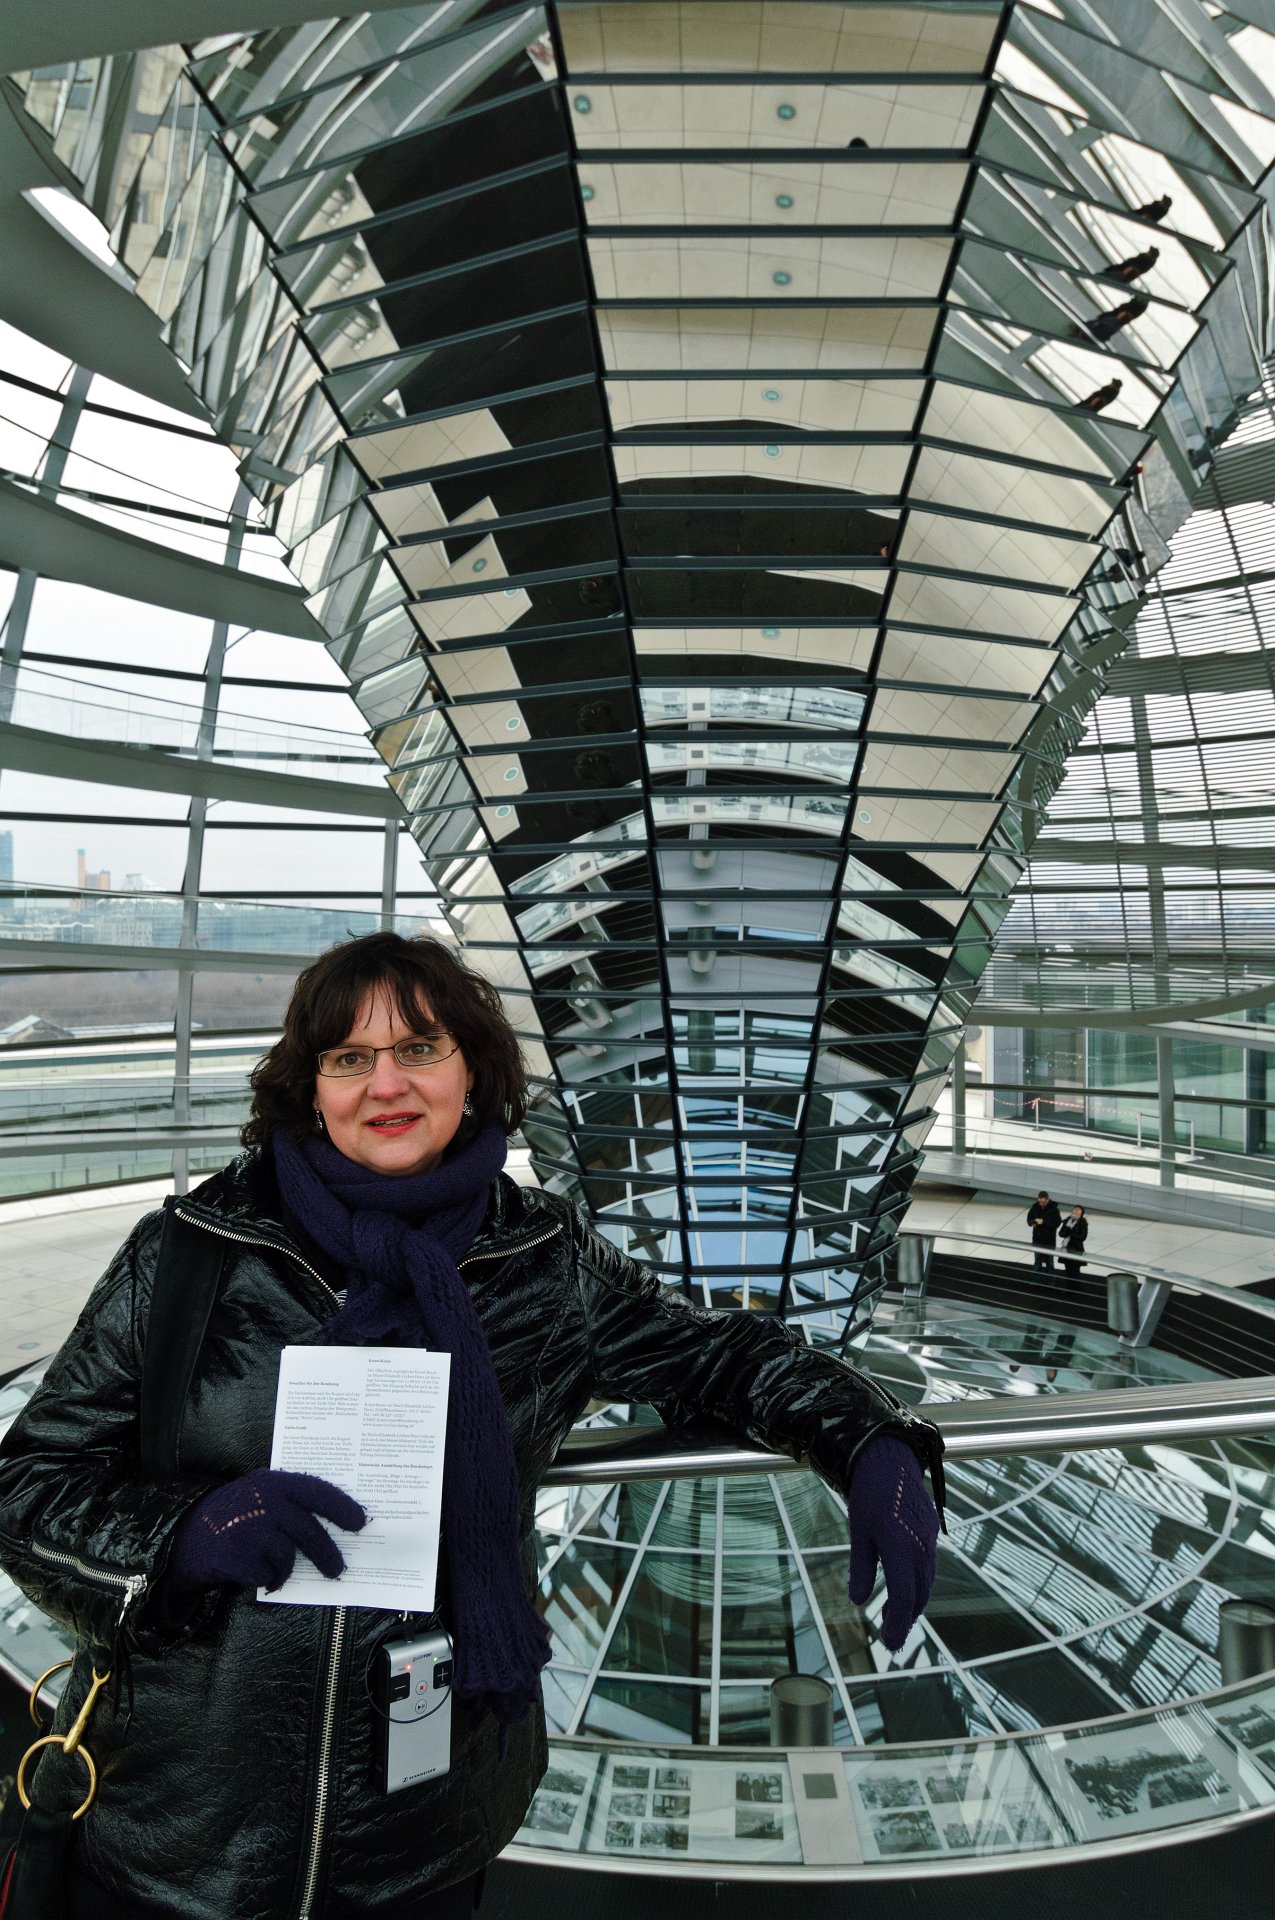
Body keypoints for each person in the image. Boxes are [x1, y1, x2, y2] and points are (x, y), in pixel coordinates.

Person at [0, 932, 943, 1920]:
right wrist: (183, 1539)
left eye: (420, 1048)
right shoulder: (192, 1253)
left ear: (473, 1070)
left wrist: (869, 1440)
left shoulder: (542, 1262)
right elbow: (27, 1487)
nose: (386, 1084)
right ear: (310, 1087)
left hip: (421, 1840)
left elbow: (719, 1356)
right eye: (349, 1058)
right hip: (177, 1830)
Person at [1027, 1190, 1062, 1270]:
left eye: (1043, 1202)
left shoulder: (1054, 1209)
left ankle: (1050, 1277)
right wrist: (1033, 1222)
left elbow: (1057, 1223)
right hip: (1037, 1239)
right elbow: (1029, 1220)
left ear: (1048, 1200)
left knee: (1049, 1262)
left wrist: (1044, 1222)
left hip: (1049, 1240)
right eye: (1040, 1202)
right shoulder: (1035, 1207)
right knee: (1037, 1261)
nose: (1041, 1204)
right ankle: (1036, 1277)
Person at [1058, 1203, 1089, 1280]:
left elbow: (1083, 1237)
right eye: (1075, 1209)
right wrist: (1067, 1232)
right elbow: (1061, 1233)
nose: (1076, 1210)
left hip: (1076, 1249)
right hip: (1066, 1248)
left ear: (1082, 1212)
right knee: (1067, 1270)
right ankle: (1068, 1286)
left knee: (1075, 1271)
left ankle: (1075, 1286)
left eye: (1079, 1209)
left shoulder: (1082, 1223)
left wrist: (1071, 1234)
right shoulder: (1067, 1220)